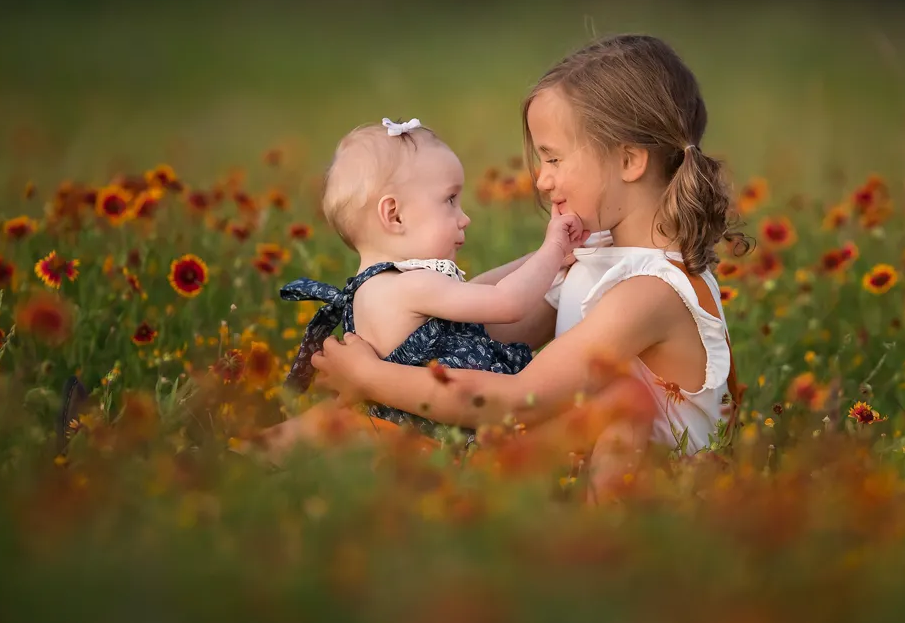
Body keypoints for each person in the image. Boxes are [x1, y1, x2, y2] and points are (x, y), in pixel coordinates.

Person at [311, 35, 745, 499]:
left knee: (360, 439)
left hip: (656, 492)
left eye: (554, 158)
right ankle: (242, 468)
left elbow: (519, 400)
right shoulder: (596, 259)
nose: (542, 179)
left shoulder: (648, 294)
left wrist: (371, 377)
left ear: (629, 160)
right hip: (566, 458)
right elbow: (468, 331)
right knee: (338, 428)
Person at [252, 117, 587, 460]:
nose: (464, 217)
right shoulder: (411, 286)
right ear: (394, 215)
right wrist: (552, 249)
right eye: (450, 200)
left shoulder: (380, 285)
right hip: (431, 442)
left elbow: (478, 289)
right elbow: (505, 301)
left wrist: (539, 261)